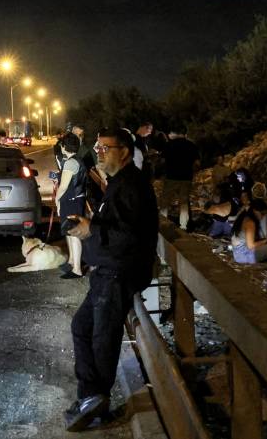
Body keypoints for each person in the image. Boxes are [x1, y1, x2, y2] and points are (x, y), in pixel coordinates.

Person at [64, 128, 158, 432]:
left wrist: (93, 230)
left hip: (118, 273)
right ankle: (91, 396)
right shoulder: (119, 183)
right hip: (107, 271)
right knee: (83, 327)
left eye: (106, 148)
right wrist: (90, 225)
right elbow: (116, 225)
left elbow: (128, 236)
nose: (100, 153)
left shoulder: (132, 186)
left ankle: (97, 401)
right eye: (98, 147)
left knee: (103, 337)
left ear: (125, 152)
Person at [56, 132, 88, 279]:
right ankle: (72, 262)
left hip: (71, 201)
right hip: (77, 199)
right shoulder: (78, 160)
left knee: (74, 234)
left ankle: (77, 269)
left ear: (64, 146)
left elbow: (63, 187)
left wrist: (57, 200)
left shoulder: (69, 163)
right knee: (69, 232)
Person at [159, 126, 200, 230]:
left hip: (171, 177)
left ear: (176, 133)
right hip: (186, 178)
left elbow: (162, 161)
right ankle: (183, 226)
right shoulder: (192, 145)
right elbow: (197, 163)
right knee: (184, 202)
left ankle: (162, 222)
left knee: (165, 201)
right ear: (185, 134)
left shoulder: (169, 145)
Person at [230, 199, 267, 264]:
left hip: (237, 254)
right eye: (262, 214)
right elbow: (251, 246)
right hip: (243, 257)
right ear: (255, 211)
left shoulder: (244, 217)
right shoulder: (250, 223)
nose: (263, 217)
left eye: (264, 214)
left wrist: (266, 240)